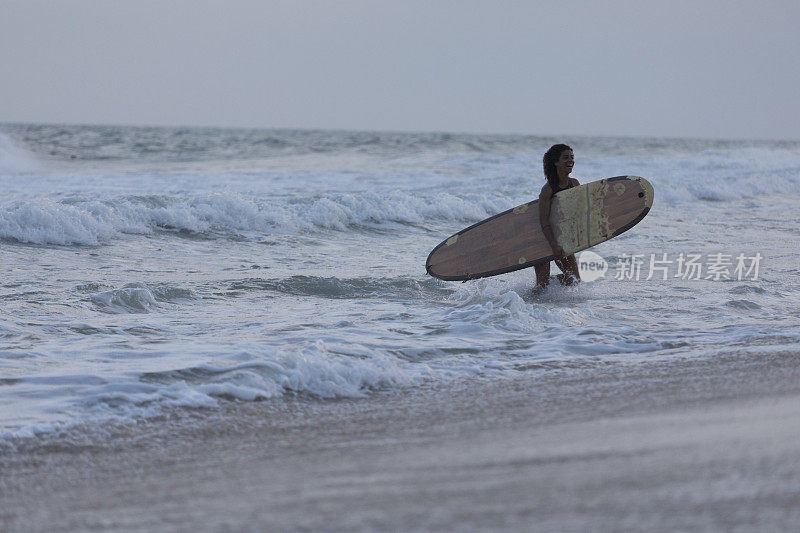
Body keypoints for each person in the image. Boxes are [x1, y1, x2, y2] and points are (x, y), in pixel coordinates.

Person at [534, 144, 581, 291]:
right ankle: (527, 304)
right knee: (541, 289)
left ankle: (546, 284)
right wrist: (554, 245)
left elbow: (579, 213)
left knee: (574, 280)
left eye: (572, 157)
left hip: (562, 239)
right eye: (565, 157)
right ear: (556, 162)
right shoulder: (547, 190)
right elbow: (544, 221)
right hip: (543, 239)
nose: (570, 161)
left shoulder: (575, 184)